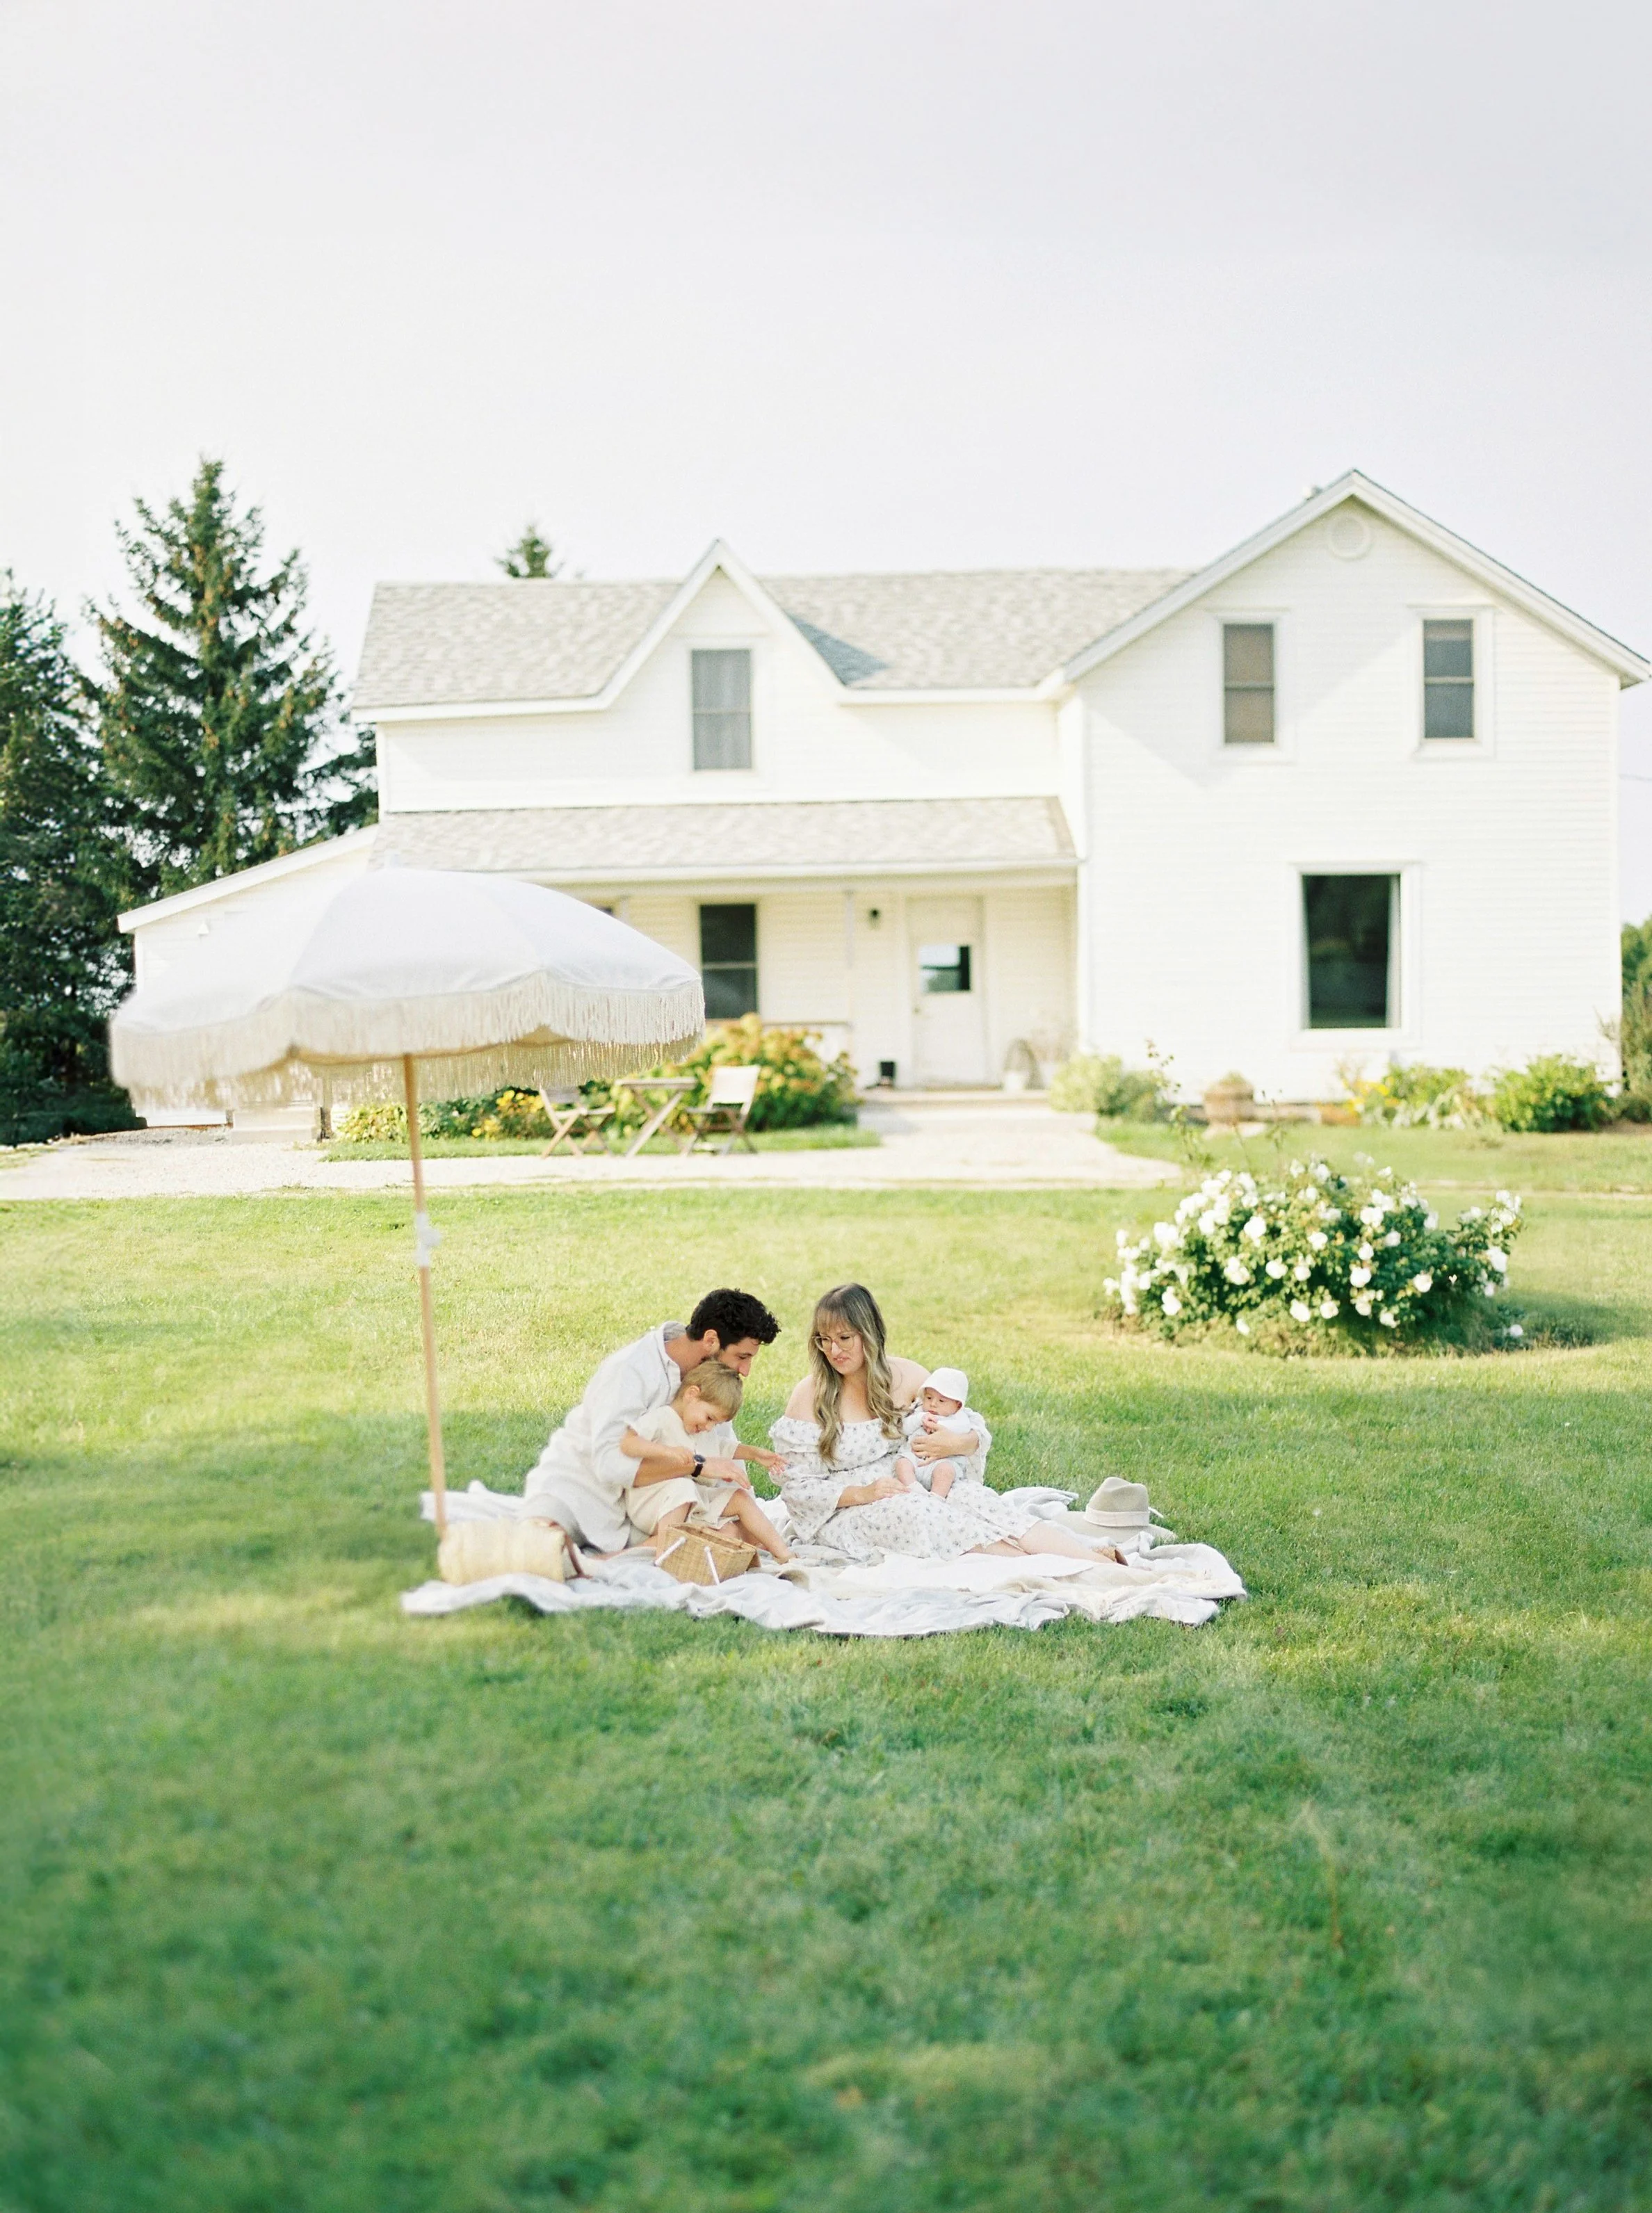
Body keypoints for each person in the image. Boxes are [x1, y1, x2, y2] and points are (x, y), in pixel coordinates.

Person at [770, 1283, 1127, 1566]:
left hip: (916, 1481)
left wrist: (955, 1445)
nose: (834, 1351)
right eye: (824, 1340)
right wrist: (864, 1494)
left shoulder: (908, 1376)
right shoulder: (811, 1394)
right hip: (847, 1510)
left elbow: (970, 1431)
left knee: (974, 1498)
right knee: (917, 1513)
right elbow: (797, 1488)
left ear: (869, 1334)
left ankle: (1089, 1561)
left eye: (844, 1338)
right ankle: (1059, 1569)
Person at [523, 1288, 782, 1557]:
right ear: (711, 1340)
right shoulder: (631, 1370)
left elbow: (721, 1455)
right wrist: (695, 1467)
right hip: (584, 1494)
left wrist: (746, 1520)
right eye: (742, 1357)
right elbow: (610, 1465)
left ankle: (630, 1553)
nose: (746, 1371)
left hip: (654, 1509)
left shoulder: (711, 1385)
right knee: (542, 1546)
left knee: (733, 1536)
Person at [620, 1361, 793, 1564]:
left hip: (690, 1501)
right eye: (709, 1417)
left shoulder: (701, 1430)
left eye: (716, 1423)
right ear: (692, 1394)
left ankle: (785, 1556)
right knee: (682, 1487)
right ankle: (665, 1556)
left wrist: (754, 1454)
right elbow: (627, 1442)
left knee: (739, 1497)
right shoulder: (662, 1419)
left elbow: (724, 1447)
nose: (709, 1427)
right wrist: (666, 1451)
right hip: (651, 1501)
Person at [893, 1365, 989, 1499]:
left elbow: (963, 1430)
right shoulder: (920, 1412)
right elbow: (904, 1428)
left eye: (942, 1401)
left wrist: (940, 1425)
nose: (933, 1404)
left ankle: (936, 1497)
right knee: (902, 1463)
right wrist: (920, 1419)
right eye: (929, 1398)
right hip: (915, 1460)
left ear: (958, 1406)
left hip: (941, 1462)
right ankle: (913, 1489)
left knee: (946, 1471)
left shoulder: (959, 1418)